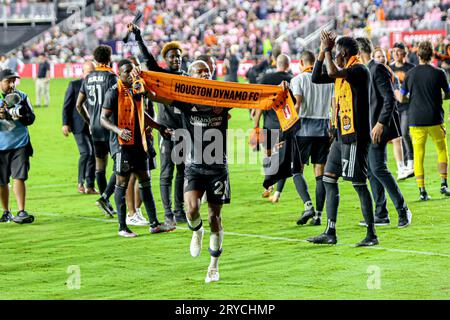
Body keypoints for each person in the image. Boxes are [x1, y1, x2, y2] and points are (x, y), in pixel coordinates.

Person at [136, 60, 231, 282]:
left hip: (218, 167)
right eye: (200, 72)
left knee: (215, 218)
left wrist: (276, 93)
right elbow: (159, 96)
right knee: (191, 210)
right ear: (190, 77)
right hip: (194, 165)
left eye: (207, 72)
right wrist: (142, 86)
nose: (205, 75)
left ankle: (213, 266)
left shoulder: (223, 97)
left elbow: (252, 98)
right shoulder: (186, 101)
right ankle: (197, 232)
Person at [308, 31, 378, 247]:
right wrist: (323, 51)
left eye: (337, 51)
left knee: (358, 183)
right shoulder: (343, 71)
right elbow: (316, 77)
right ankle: (330, 231)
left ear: (344, 53)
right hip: (341, 135)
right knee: (329, 179)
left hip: (356, 136)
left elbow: (331, 71)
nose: (335, 55)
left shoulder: (358, 70)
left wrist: (328, 50)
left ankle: (371, 235)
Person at [100, 59, 176, 237]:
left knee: (145, 180)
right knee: (121, 183)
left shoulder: (137, 88)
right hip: (121, 145)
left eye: (132, 71)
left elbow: (142, 113)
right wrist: (118, 130)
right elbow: (103, 118)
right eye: (126, 72)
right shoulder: (113, 92)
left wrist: (159, 127)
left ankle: (154, 224)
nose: (130, 74)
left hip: (139, 142)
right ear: (119, 74)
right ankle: (122, 227)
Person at [128, 23, 187, 225]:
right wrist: (138, 36)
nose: (176, 59)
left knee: (182, 172)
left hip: (184, 132)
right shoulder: (161, 75)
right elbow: (147, 59)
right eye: (172, 56)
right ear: (166, 59)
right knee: (167, 173)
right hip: (167, 131)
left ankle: (179, 210)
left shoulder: (187, 79)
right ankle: (168, 212)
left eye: (178, 56)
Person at [356, 37, 412, 228]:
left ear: (359, 52)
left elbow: (389, 98)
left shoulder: (377, 68)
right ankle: (381, 213)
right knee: (372, 170)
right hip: (369, 128)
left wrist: (380, 123)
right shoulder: (366, 70)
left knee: (378, 168)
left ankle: (403, 208)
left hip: (378, 127)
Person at [396, 41, 450, 200]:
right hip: (435, 118)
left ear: (418, 54)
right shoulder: (439, 72)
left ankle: (422, 191)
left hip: (415, 119)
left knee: (419, 154)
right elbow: (448, 93)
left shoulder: (410, 74)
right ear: (432, 54)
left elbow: (403, 97)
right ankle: (443, 184)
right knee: (442, 150)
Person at [291, 50, 334, 226]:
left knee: (296, 170)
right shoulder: (327, 81)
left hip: (303, 129)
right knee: (320, 173)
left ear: (302, 62)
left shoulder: (298, 79)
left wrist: (288, 126)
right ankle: (318, 215)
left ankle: (308, 205)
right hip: (324, 128)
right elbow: (334, 105)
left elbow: (298, 104)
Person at [76, 45, 117, 217]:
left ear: (95, 59)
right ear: (109, 59)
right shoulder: (111, 78)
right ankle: (106, 197)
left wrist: (89, 121)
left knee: (101, 167)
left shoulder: (88, 78)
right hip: (110, 127)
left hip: (95, 129)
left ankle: (104, 199)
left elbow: (79, 105)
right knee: (121, 166)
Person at [253, 54, 292, 203]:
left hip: (268, 123)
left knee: (267, 154)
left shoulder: (266, 79)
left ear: (276, 63)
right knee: (280, 156)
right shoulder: (292, 79)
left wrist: (255, 123)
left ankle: (268, 185)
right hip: (284, 124)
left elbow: (260, 104)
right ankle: (276, 191)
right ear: (288, 65)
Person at [0, 69, 35, 224]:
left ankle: (21, 211)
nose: (12, 84)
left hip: (20, 143)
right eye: (9, 81)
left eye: (14, 81)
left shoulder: (22, 96)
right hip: (1, 145)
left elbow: (31, 118)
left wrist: (16, 116)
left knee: (19, 176)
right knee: (1, 181)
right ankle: (6, 212)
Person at [62, 61, 97, 195]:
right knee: (86, 153)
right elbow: (66, 105)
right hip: (78, 125)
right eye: (88, 72)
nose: (91, 74)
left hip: (94, 126)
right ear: (83, 72)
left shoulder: (97, 86)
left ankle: (90, 186)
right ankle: (80, 183)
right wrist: (65, 123)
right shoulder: (74, 85)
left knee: (93, 155)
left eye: (93, 72)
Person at [372, 48, 406, 180]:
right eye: (378, 56)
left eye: (382, 56)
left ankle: (401, 168)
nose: (381, 58)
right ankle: (385, 169)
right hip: (380, 113)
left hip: (392, 109)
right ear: (373, 58)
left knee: (397, 139)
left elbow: (396, 88)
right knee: (388, 140)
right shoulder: (375, 71)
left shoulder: (390, 71)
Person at [390, 42, 415, 179]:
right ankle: (404, 166)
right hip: (394, 106)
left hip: (407, 106)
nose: (396, 54)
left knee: (404, 132)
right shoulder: (390, 68)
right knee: (397, 137)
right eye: (394, 51)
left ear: (404, 53)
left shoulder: (411, 68)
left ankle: (410, 161)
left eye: (399, 51)